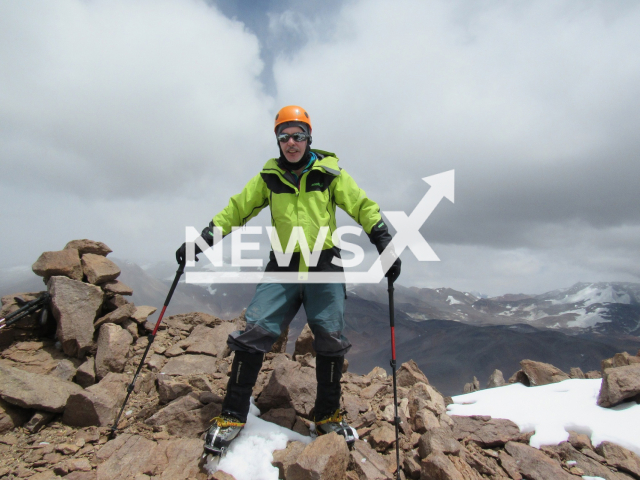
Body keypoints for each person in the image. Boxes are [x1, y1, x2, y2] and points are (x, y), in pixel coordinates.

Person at [176, 105, 401, 453]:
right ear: (278, 141)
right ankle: (233, 414)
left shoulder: (329, 174)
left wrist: (384, 240)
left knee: (329, 336)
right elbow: (237, 210)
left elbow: (362, 206)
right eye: (284, 136)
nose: (291, 142)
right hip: (282, 265)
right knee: (255, 330)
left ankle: (327, 414)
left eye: (297, 135)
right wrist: (202, 240)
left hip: (323, 265)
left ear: (309, 137)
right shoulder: (269, 177)